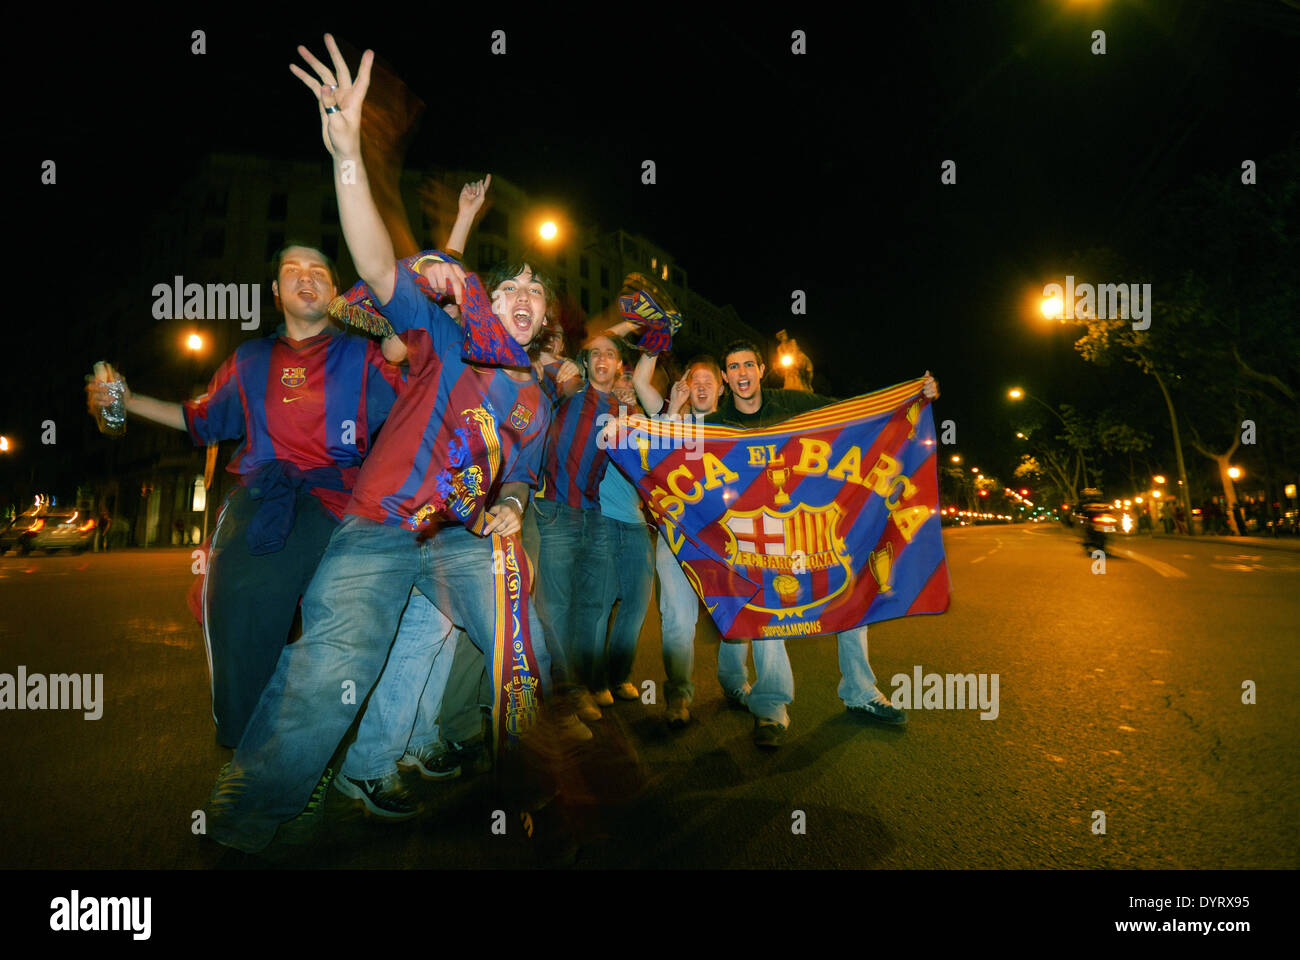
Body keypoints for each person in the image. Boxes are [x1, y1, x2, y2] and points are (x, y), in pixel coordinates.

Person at [202, 36, 557, 851]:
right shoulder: (443, 334)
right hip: (383, 523)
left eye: (537, 293)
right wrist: (348, 155)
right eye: (511, 286)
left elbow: (522, 479)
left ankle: (502, 786)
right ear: (485, 302)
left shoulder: (532, 399)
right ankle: (250, 810)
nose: (524, 295)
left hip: (463, 539)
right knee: (336, 656)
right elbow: (376, 261)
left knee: (516, 642)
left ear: (542, 326)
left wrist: (507, 503)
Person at [86, 243, 405, 748]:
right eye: (291, 270)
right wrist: (126, 400)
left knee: (364, 608)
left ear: (336, 292)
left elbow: (413, 383)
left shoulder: (361, 354)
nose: (306, 277)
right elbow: (199, 420)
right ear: (275, 292)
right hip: (263, 495)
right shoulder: (249, 359)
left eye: (318, 270)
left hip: (342, 498)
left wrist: (394, 334)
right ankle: (250, 748)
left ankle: (355, 753)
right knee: (238, 593)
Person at [702, 340, 937, 748]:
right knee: (766, 616)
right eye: (732, 367)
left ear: (761, 369)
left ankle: (862, 693)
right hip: (760, 538)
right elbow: (675, 450)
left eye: (747, 365)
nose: (741, 373)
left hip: (813, 528)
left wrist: (914, 396)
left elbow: (859, 414)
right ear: (726, 377)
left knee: (852, 593)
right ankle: (770, 709)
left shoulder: (791, 403)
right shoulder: (716, 423)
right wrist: (628, 429)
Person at [629, 352, 730, 728]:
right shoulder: (673, 416)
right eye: (694, 380)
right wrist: (654, 340)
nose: (701, 386)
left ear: (721, 385)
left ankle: (735, 684)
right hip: (677, 535)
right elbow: (641, 382)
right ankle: (678, 697)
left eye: (708, 380)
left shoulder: (733, 421)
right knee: (676, 618)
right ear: (686, 385)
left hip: (726, 537)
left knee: (734, 614)